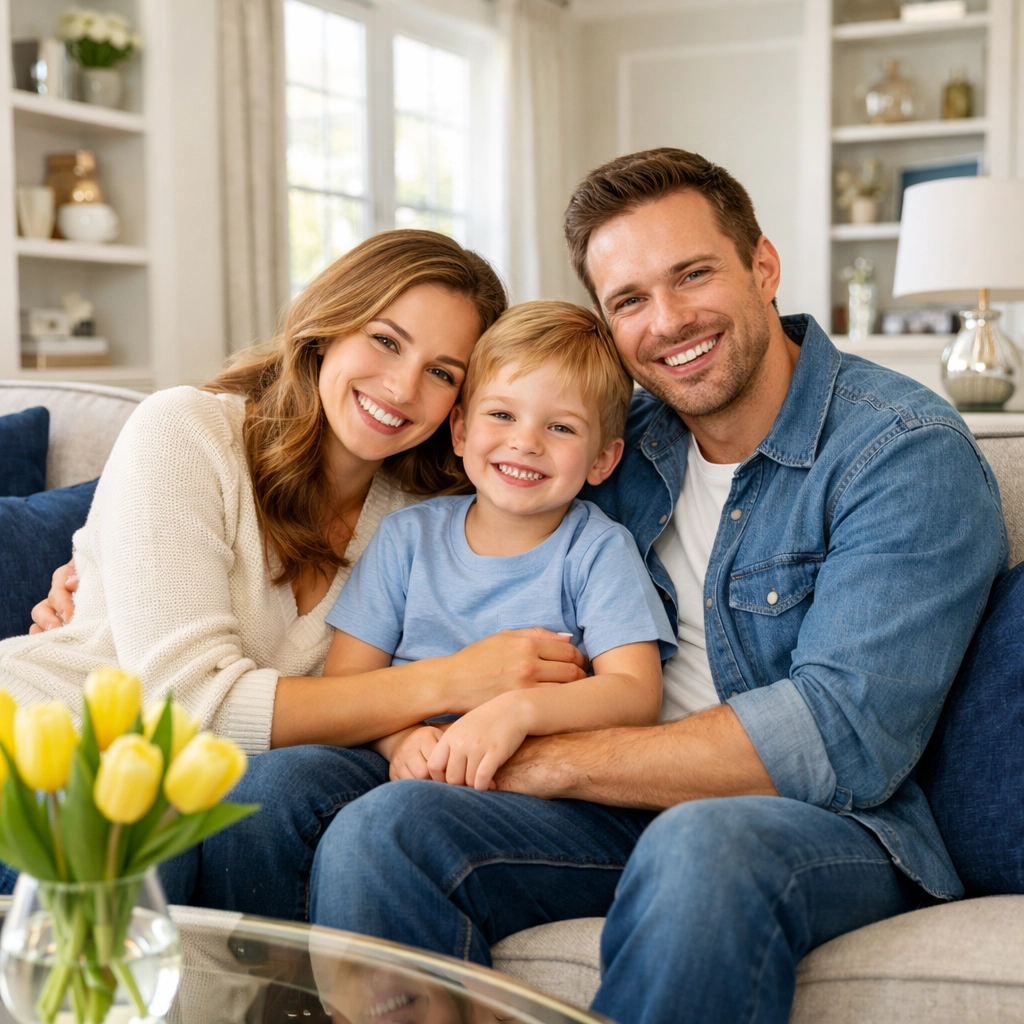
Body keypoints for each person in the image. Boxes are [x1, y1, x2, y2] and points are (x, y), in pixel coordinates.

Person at [304, 150, 1008, 1024]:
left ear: (763, 266)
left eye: (692, 275)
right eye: (629, 300)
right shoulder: (613, 438)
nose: (668, 321)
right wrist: (93, 564)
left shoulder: (898, 454)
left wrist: (533, 757)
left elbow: (842, 740)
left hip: (815, 824)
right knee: (383, 831)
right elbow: (460, 480)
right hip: (608, 814)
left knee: (701, 841)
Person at [4, 230, 594, 910]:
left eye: (442, 372)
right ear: (328, 328)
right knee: (126, 846)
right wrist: (449, 679)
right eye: (385, 340)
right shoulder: (186, 428)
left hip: (179, 792)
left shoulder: (431, 520)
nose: (402, 386)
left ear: (460, 408)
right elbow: (190, 704)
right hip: (41, 742)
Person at [323, 301, 675, 791]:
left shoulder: (597, 550)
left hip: (519, 782)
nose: (525, 442)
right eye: (502, 414)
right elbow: (343, 685)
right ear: (462, 430)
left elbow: (635, 693)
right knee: (271, 783)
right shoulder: (407, 537)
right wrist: (400, 740)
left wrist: (520, 710)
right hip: (397, 761)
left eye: (561, 427)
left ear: (602, 459)